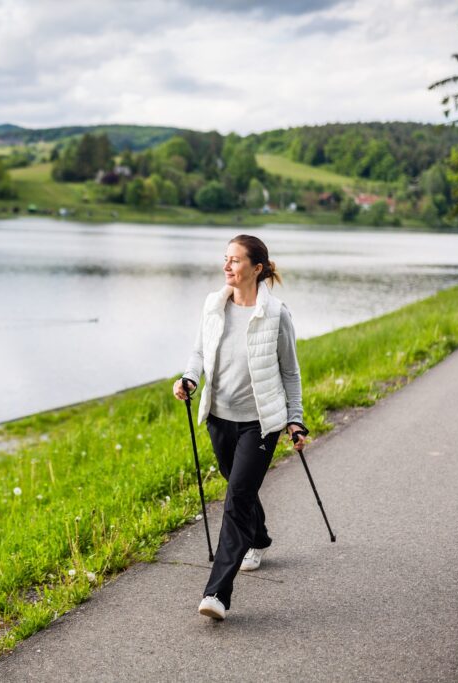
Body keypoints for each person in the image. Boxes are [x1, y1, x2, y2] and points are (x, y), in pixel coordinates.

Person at [172, 234, 308, 621]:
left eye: (234, 260)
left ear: (257, 268)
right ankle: (259, 537)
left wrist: (295, 419)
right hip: (219, 416)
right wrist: (189, 379)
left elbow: (290, 373)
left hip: (259, 423)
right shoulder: (214, 305)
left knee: (235, 501)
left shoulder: (277, 314)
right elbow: (199, 352)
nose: (226, 266)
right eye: (225, 258)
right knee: (238, 486)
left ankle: (217, 593)